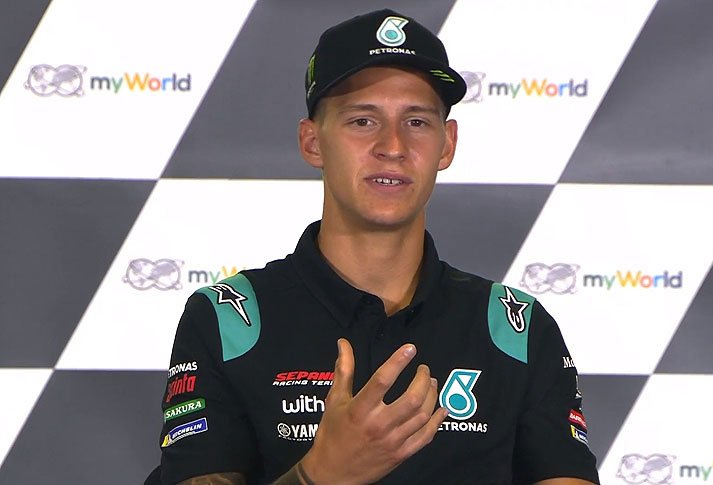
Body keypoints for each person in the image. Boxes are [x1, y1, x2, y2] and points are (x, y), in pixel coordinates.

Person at [155, 8, 600, 485]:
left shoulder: (518, 328)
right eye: (363, 120)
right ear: (312, 142)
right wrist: (320, 475)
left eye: (417, 122)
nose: (393, 146)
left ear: (447, 144)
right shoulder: (227, 319)